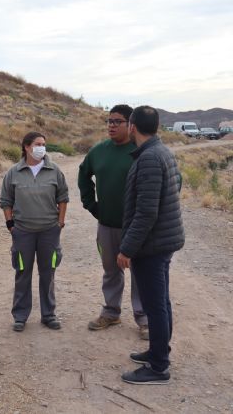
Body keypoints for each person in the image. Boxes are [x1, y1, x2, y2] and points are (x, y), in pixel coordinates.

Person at [118, 106, 184, 385]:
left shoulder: (149, 158)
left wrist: (127, 249)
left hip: (152, 245)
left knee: (154, 305)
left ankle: (158, 367)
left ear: (132, 126)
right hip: (161, 241)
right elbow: (175, 186)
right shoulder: (162, 151)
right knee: (161, 302)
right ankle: (158, 350)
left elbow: (146, 212)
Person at [78, 105, 149, 340]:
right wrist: (92, 204)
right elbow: (83, 175)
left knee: (140, 272)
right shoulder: (99, 151)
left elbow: (170, 180)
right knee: (111, 270)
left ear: (130, 125)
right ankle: (111, 311)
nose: (111, 125)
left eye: (117, 121)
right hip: (107, 224)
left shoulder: (142, 151)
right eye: (109, 121)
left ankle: (144, 317)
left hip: (137, 227)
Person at [0, 132, 68, 332]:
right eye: (38, 144)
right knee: (22, 273)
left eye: (44, 144)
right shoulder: (13, 172)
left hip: (49, 231)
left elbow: (63, 197)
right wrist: (10, 225)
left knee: (48, 273)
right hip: (23, 232)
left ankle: (49, 315)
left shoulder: (54, 170)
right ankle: (20, 316)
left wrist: (60, 223)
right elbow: (6, 201)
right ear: (27, 147)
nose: (42, 148)